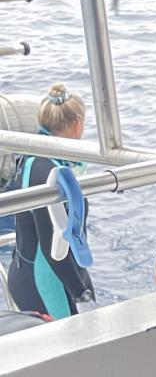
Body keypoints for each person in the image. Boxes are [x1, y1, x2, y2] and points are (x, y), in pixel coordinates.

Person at [4, 83, 94, 319]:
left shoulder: (33, 157)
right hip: (45, 283)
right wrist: (81, 291)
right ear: (77, 125)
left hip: (25, 268)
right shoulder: (49, 174)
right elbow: (53, 247)